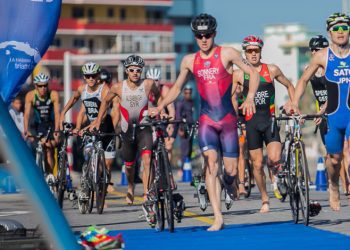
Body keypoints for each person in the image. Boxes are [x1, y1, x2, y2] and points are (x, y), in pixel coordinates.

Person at [149, 13, 259, 231]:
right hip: (207, 120)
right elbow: (177, 88)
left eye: (207, 35)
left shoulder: (227, 53)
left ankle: (229, 184)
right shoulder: (190, 60)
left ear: (214, 34)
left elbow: (253, 73)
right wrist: (160, 107)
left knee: (230, 172)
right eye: (199, 36)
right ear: (195, 37)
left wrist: (249, 98)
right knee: (211, 165)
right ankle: (217, 217)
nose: (204, 39)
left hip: (227, 121)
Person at [292, 13, 350, 211]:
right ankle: (334, 186)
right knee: (334, 159)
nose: (340, 32)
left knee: (349, 151)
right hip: (334, 116)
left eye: (344, 28)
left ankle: (348, 188)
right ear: (329, 32)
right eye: (336, 28)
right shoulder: (322, 56)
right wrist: (294, 102)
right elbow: (303, 81)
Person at [232, 35, 295, 213]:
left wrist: (292, 103)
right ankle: (265, 198)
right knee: (257, 164)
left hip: (270, 120)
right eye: (249, 51)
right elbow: (230, 96)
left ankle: (276, 179)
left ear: (260, 51)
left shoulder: (272, 69)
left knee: (274, 159)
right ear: (245, 52)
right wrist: (234, 113)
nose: (253, 54)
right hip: (251, 123)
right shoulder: (238, 74)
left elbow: (290, 85)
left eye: (256, 50)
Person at [89, 55, 161, 210]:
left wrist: (159, 109)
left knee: (147, 160)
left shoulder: (148, 84)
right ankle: (130, 187)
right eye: (132, 70)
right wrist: (97, 120)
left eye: (138, 70)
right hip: (127, 130)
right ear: (127, 71)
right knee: (129, 166)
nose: (135, 72)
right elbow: (105, 102)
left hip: (144, 128)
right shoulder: (118, 87)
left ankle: (147, 193)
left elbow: (159, 96)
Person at [60, 62, 116, 199]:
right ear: (84, 77)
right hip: (91, 127)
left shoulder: (104, 89)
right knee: (90, 155)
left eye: (93, 76)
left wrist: (89, 126)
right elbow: (74, 99)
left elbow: (104, 111)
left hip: (105, 126)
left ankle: (103, 185)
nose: (90, 78)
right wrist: (63, 113)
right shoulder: (82, 89)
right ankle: (88, 183)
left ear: (98, 77)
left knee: (107, 164)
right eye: (88, 76)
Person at [24, 73, 60, 176]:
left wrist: (57, 130)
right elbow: (26, 115)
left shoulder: (53, 94)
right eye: (40, 86)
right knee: (38, 148)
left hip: (50, 124)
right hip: (38, 125)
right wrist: (26, 130)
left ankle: (50, 175)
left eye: (45, 85)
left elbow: (57, 114)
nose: (43, 88)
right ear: (36, 86)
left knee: (49, 149)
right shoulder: (30, 95)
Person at [146, 67, 176, 160]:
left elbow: (171, 109)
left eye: (156, 80)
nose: (154, 83)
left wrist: (170, 125)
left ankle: (167, 171)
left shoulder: (165, 89)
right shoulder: (145, 90)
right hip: (151, 116)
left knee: (168, 145)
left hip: (165, 117)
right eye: (151, 80)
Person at [175, 85, 195, 170]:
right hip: (184, 128)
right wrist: (180, 129)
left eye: (189, 93)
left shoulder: (191, 102)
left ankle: (188, 167)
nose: (188, 94)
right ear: (184, 93)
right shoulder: (180, 103)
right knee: (184, 149)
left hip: (191, 127)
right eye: (186, 93)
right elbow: (178, 117)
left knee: (190, 149)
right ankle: (182, 169)